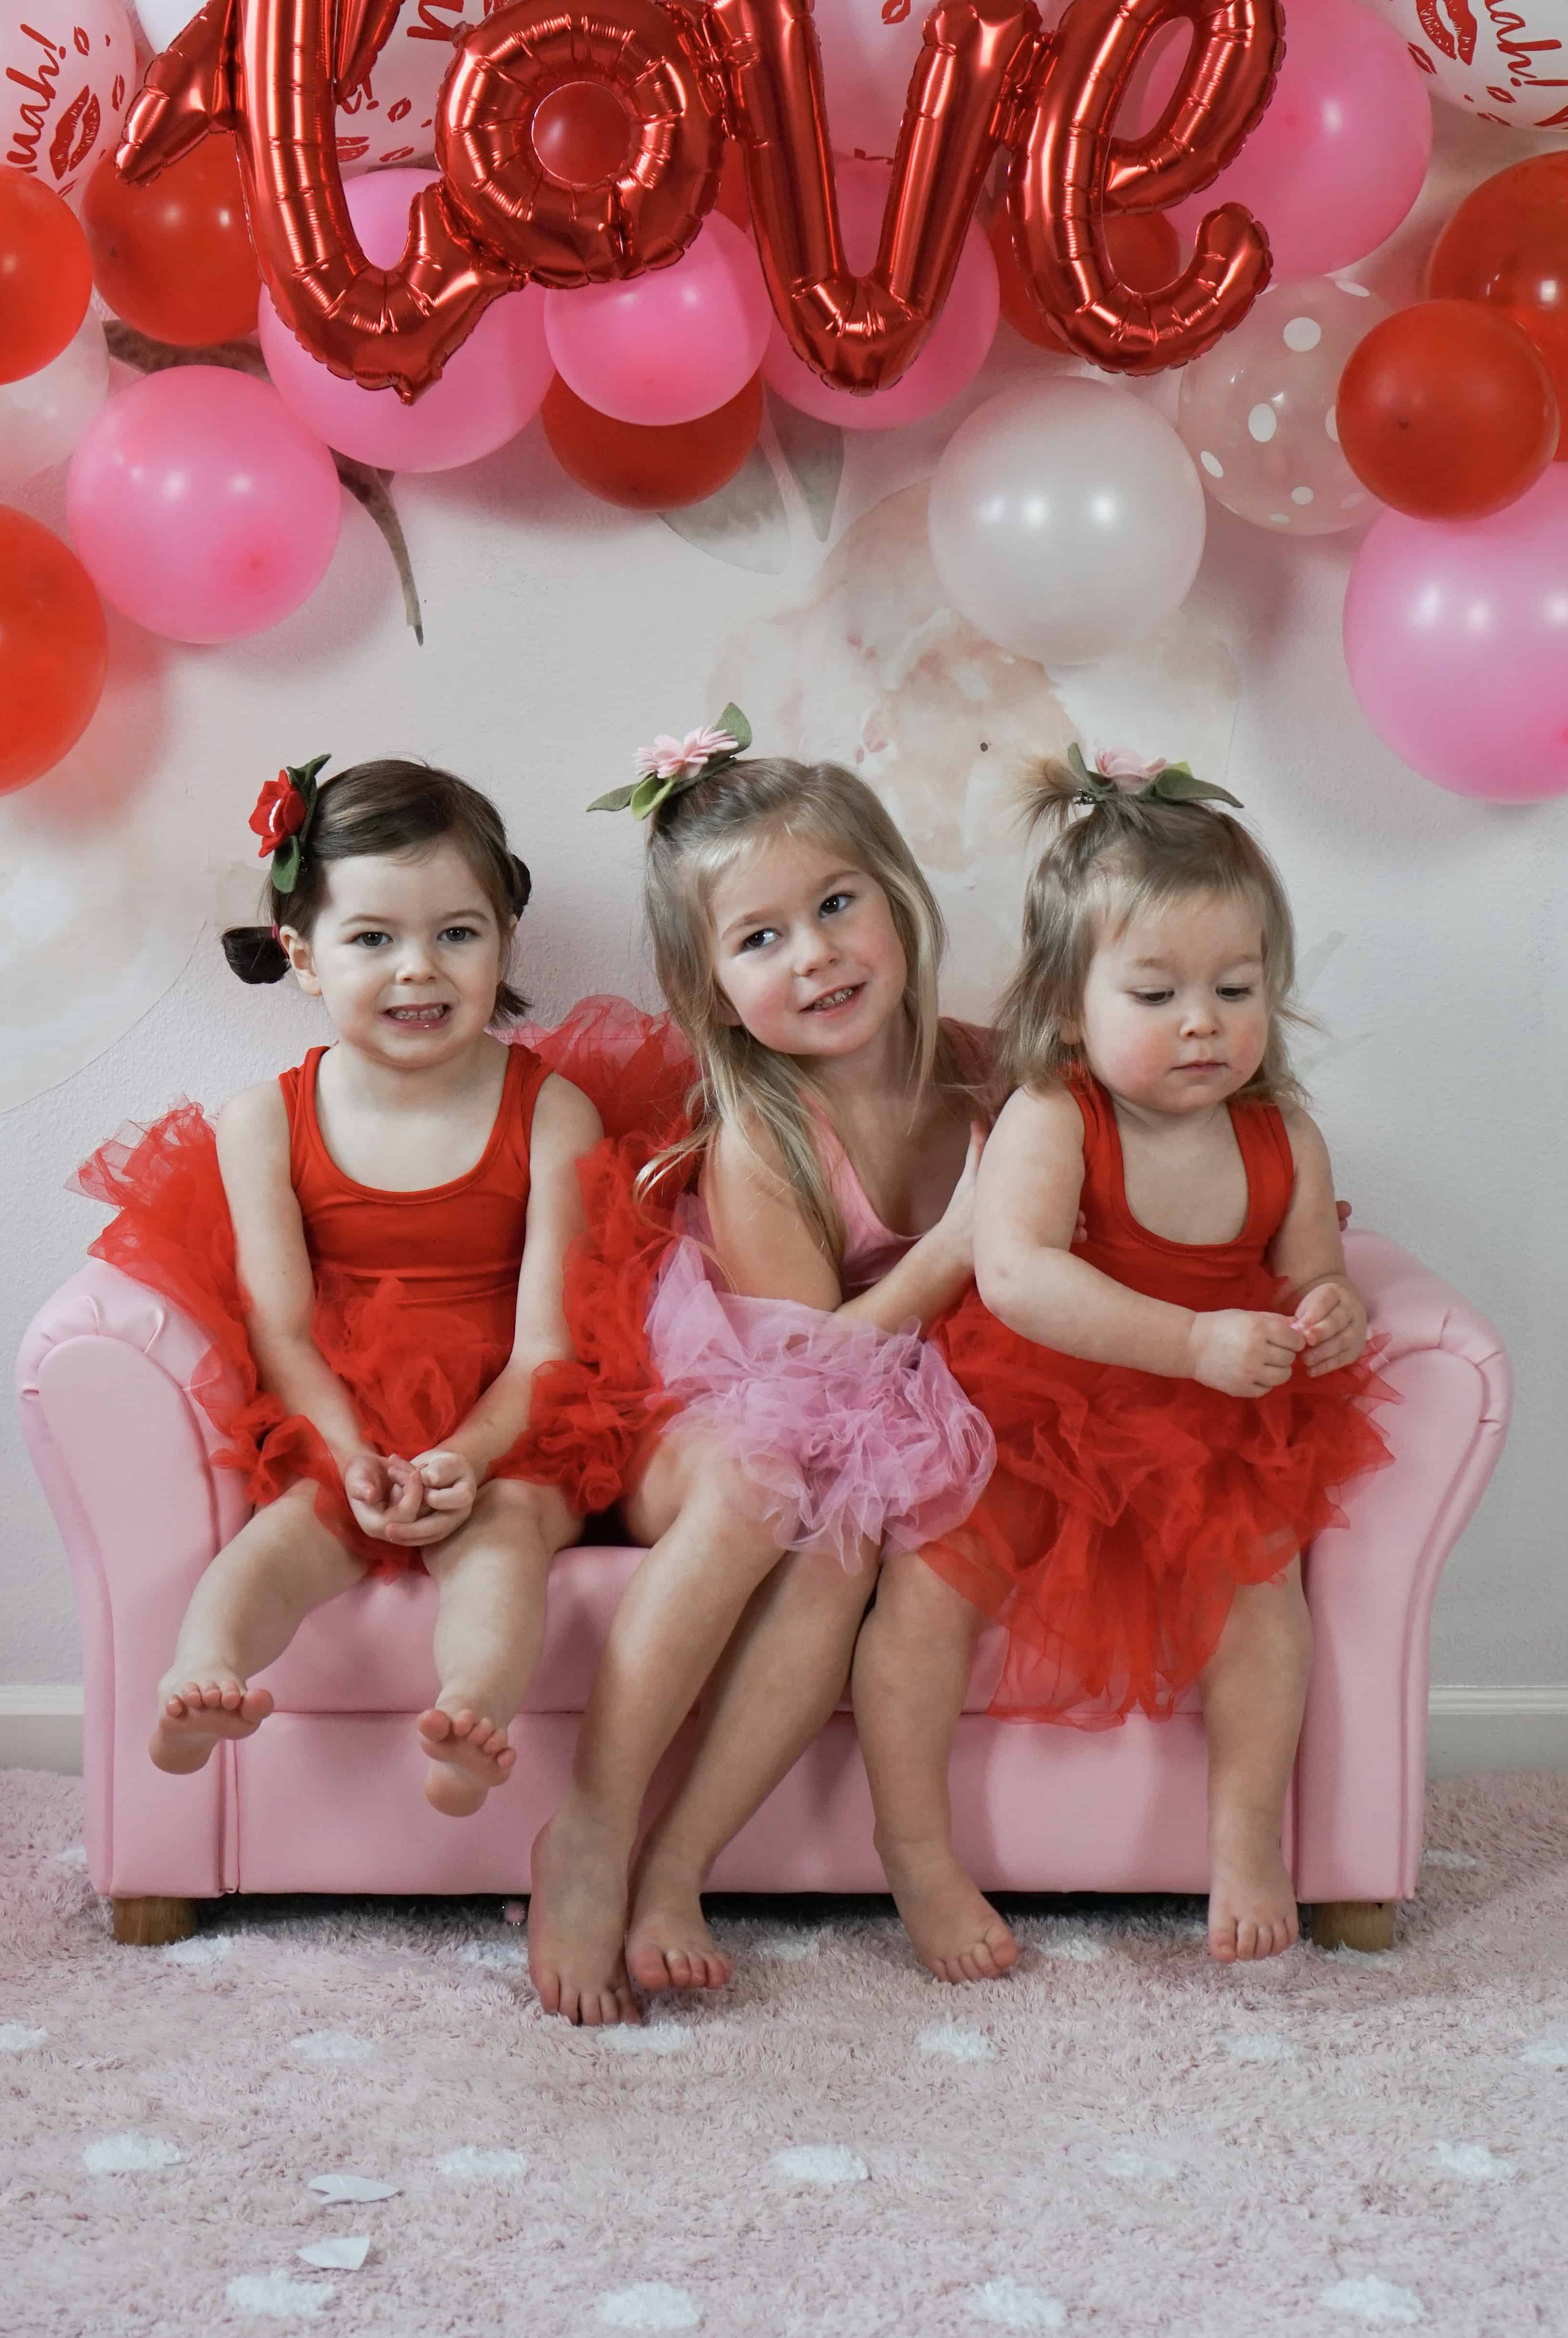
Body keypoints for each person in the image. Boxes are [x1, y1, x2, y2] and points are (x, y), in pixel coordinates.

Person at [858, 749, 1394, 1974]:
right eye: (1154, 992)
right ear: (1069, 1005)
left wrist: (1329, 1310)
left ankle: (1247, 1837)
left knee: (1266, 1598)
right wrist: (1190, 1339)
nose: (1203, 1019)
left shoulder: (1282, 1131)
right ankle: (917, 1848)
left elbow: (1315, 1262)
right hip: (1038, 1398)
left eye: (1236, 985)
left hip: (1211, 1419)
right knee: (926, 1597)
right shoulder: (1056, 1114)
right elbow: (1018, 1274)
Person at [516, 712, 993, 2021]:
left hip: (872, 1421)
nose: (818, 955)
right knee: (765, 1481)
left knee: (840, 1543)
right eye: (761, 937)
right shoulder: (760, 1131)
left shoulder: (980, 1078)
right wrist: (958, 1241)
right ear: (709, 989)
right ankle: (594, 1833)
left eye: (838, 904)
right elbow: (816, 1370)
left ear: (897, 897)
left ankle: (680, 1863)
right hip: (697, 1414)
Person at [75, 756, 599, 1821]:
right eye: (375, 939)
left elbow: (550, 1343)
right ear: (303, 956)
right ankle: (205, 1672)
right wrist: (352, 1452)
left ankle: (472, 1709)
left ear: (503, 942)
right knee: (283, 1537)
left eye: (458, 932)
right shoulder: (263, 1121)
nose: (420, 969)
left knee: (504, 1539)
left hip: (509, 1415)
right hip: (343, 1402)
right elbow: (279, 1327)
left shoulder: (554, 1113)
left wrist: (466, 1454)